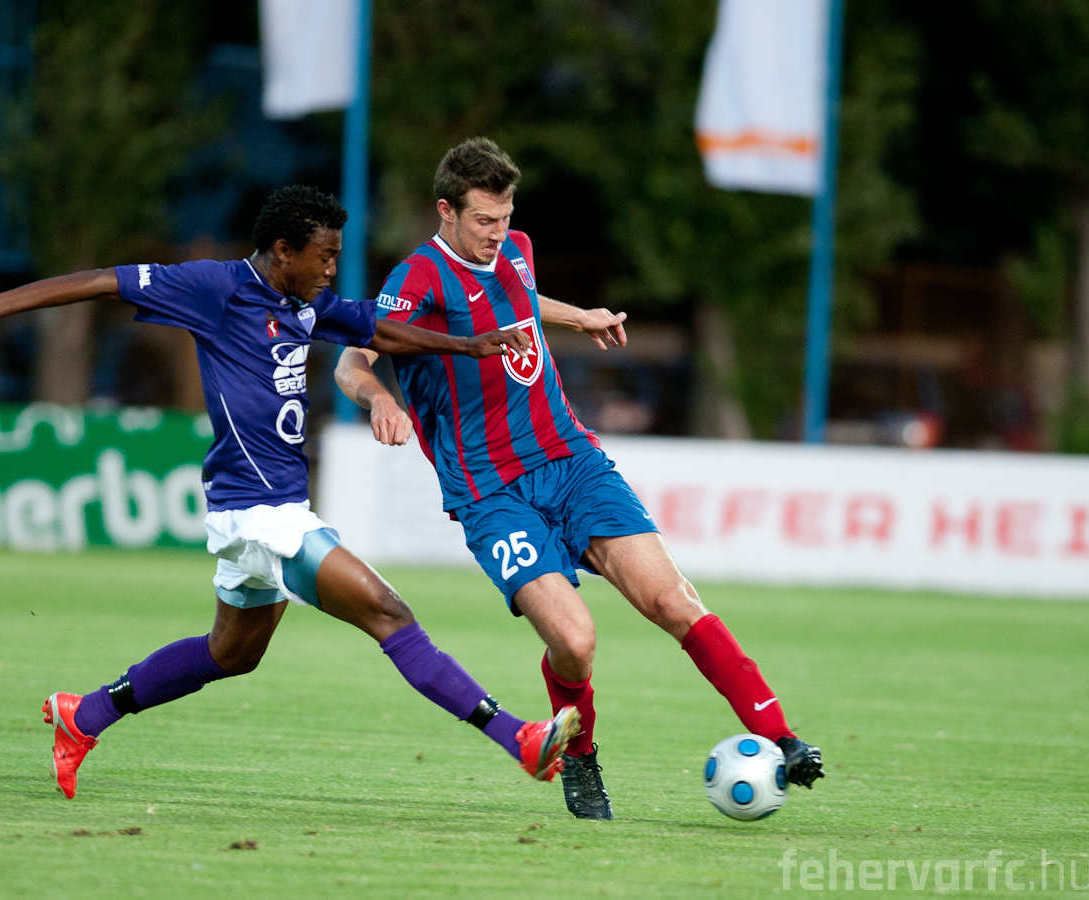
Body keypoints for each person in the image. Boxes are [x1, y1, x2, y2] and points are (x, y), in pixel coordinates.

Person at [0, 185, 578, 798]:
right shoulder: (214, 288)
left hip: (271, 511)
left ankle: (85, 714)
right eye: (324, 257)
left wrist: (464, 345)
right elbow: (103, 280)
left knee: (231, 653)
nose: (331, 270)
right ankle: (516, 738)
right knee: (388, 612)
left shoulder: (306, 303)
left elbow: (377, 330)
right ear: (283, 250)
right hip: (259, 515)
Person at [335, 138, 824, 820]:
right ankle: (581, 756)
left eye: (505, 218)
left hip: (570, 461)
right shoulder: (416, 279)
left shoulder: (515, 249)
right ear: (446, 211)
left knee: (673, 600)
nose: (496, 233)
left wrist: (579, 316)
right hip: (491, 492)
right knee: (574, 641)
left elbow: (518, 298)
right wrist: (380, 399)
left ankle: (781, 736)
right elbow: (353, 358)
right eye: (482, 220)